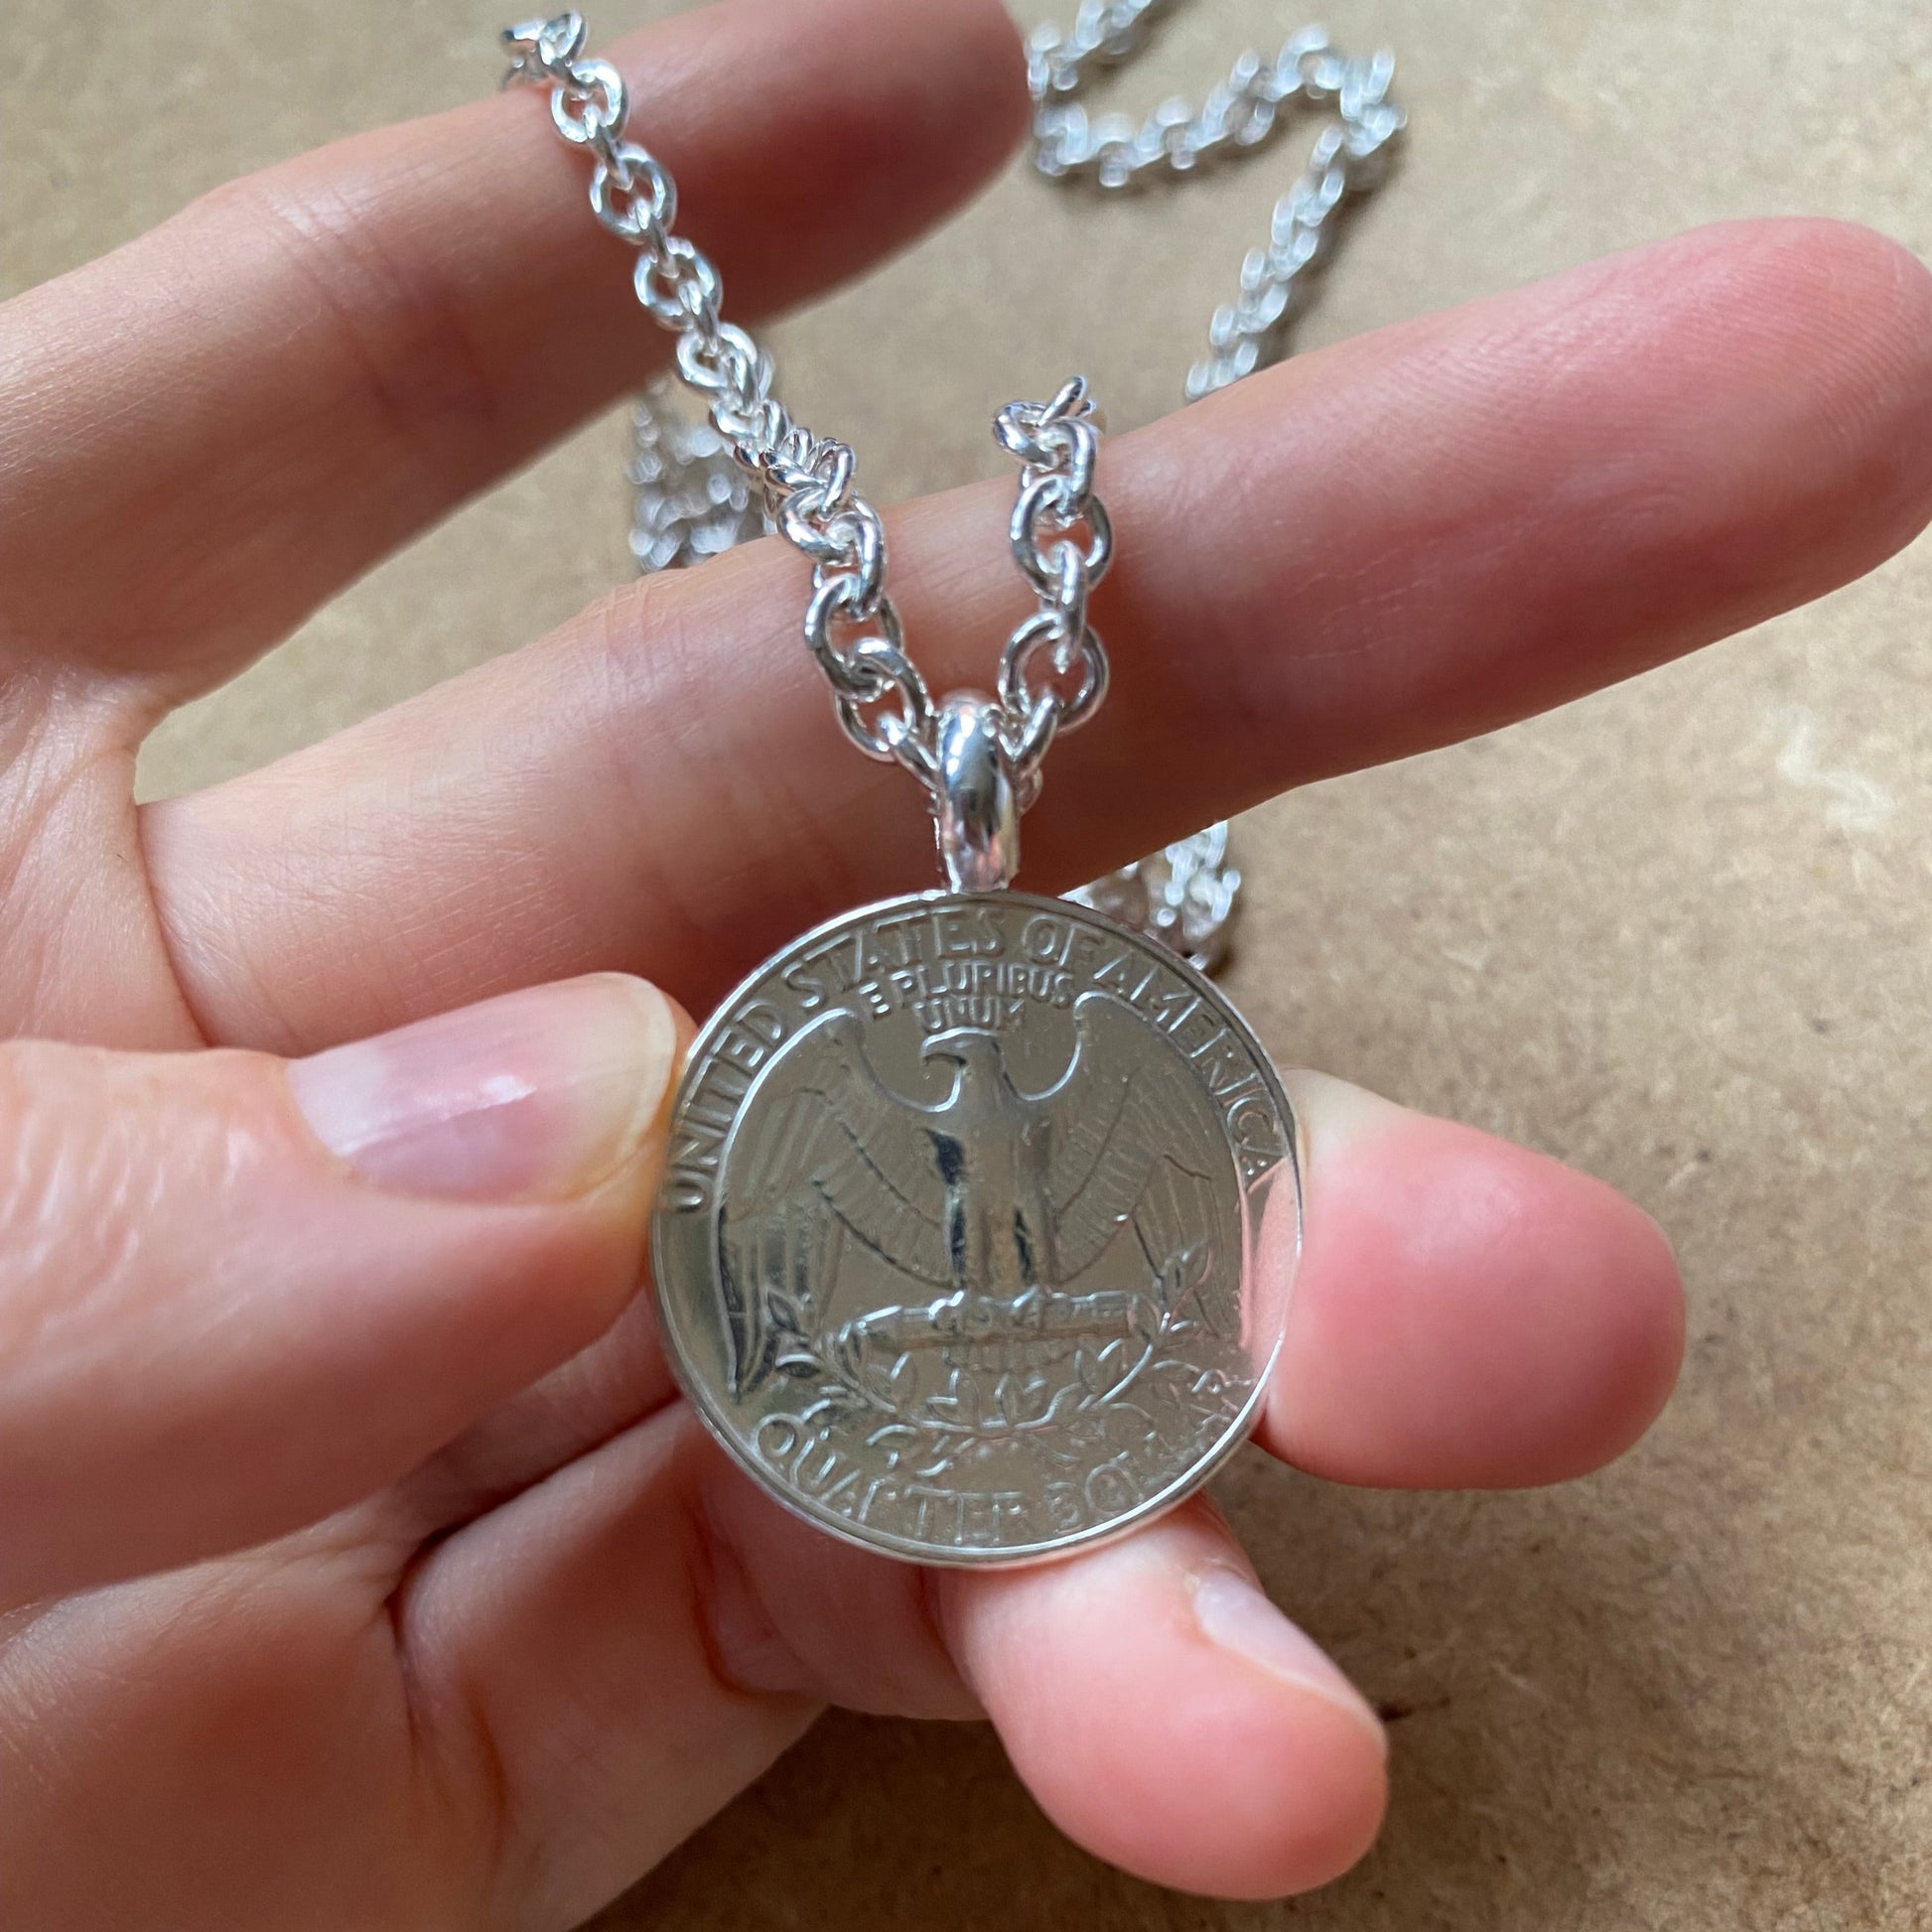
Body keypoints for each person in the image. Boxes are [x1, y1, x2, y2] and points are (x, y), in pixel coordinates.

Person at [1, 0, 1927, 1923]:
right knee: (992, 1236)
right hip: (945, 1191)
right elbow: (968, 1103)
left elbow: (1037, 1087)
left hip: (983, 1188)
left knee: (1040, 1242)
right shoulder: (951, 1058)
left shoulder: (994, 1040)